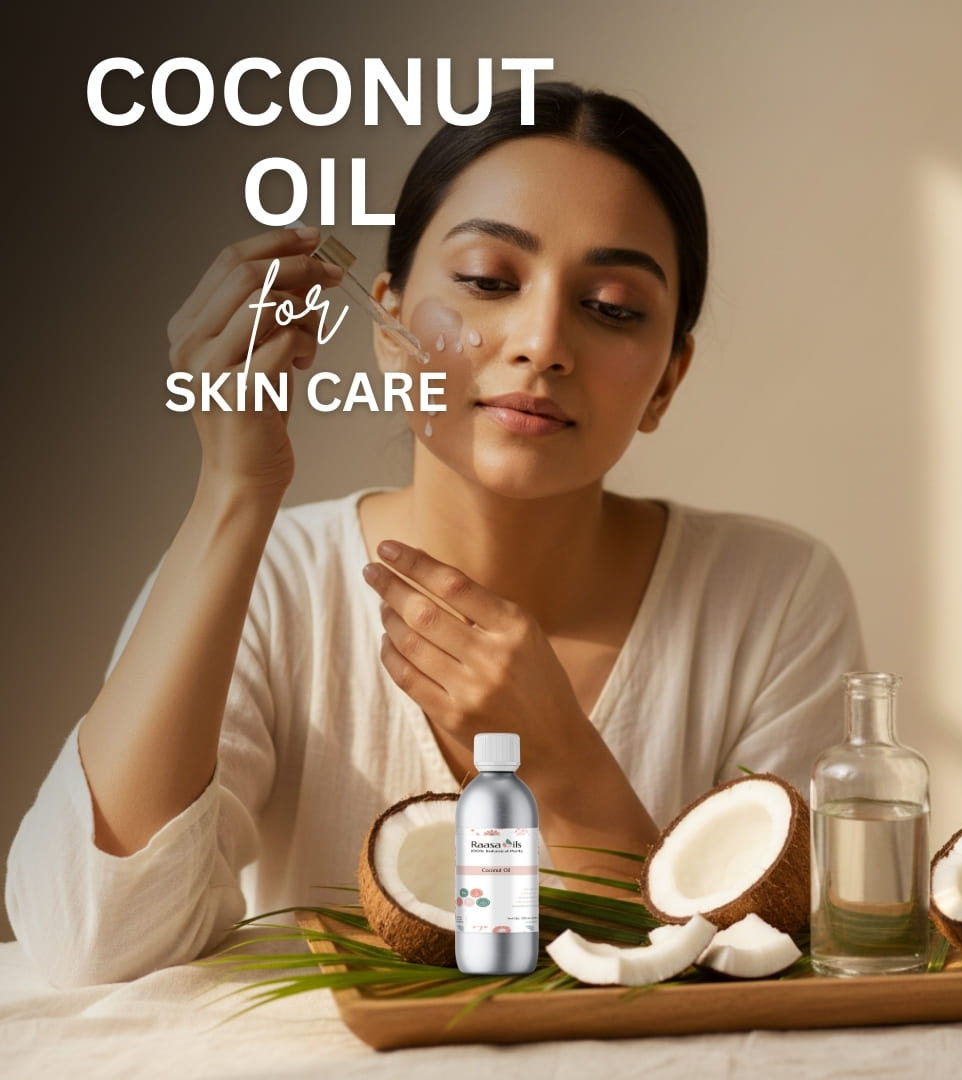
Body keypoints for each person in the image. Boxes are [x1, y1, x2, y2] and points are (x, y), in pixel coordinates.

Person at [6, 83, 863, 987]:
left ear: (667, 380)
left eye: (612, 305)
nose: (541, 341)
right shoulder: (271, 580)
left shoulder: (774, 596)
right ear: (388, 328)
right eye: (488, 281)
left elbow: (786, 971)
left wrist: (563, 764)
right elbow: (91, 943)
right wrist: (232, 492)